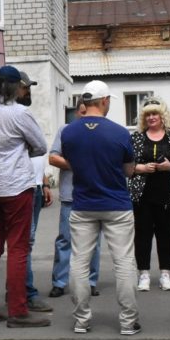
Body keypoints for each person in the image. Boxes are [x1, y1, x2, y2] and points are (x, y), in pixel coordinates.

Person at [60, 80, 141, 336]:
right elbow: (129, 170)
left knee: (79, 262)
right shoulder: (119, 133)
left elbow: (70, 162)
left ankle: (81, 320)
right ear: (104, 101)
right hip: (117, 204)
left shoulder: (69, 132)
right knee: (124, 262)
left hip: (83, 204)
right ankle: (128, 322)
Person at [0, 65, 50, 328]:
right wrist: (21, 149)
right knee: (17, 248)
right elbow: (40, 146)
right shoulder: (20, 112)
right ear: (15, 87)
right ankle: (17, 310)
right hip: (15, 186)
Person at [48, 98, 103, 298]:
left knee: (94, 241)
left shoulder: (100, 131)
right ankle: (60, 282)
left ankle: (91, 281)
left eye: (86, 111)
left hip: (94, 194)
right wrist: (78, 165)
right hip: (70, 195)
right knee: (65, 239)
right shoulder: (66, 131)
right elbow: (53, 157)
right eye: (81, 111)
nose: (83, 115)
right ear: (77, 112)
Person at [128, 97, 170, 292]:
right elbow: (126, 165)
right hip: (142, 196)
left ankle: (165, 274)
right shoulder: (137, 138)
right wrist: (140, 168)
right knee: (142, 235)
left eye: (154, 113)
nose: (151, 117)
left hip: (167, 195)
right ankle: (144, 274)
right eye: (147, 114)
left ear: (162, 115)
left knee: (167, 235)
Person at [18, 71, 54, 314]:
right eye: (26, 87)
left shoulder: (25, 114)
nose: (29, 91)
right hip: (24, 188)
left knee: (27, 242)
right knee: (24, 243)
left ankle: (23, 290)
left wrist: (44, 181)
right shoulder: (17, 115)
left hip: (36, 186)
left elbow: (37, 153)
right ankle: (25, 293)